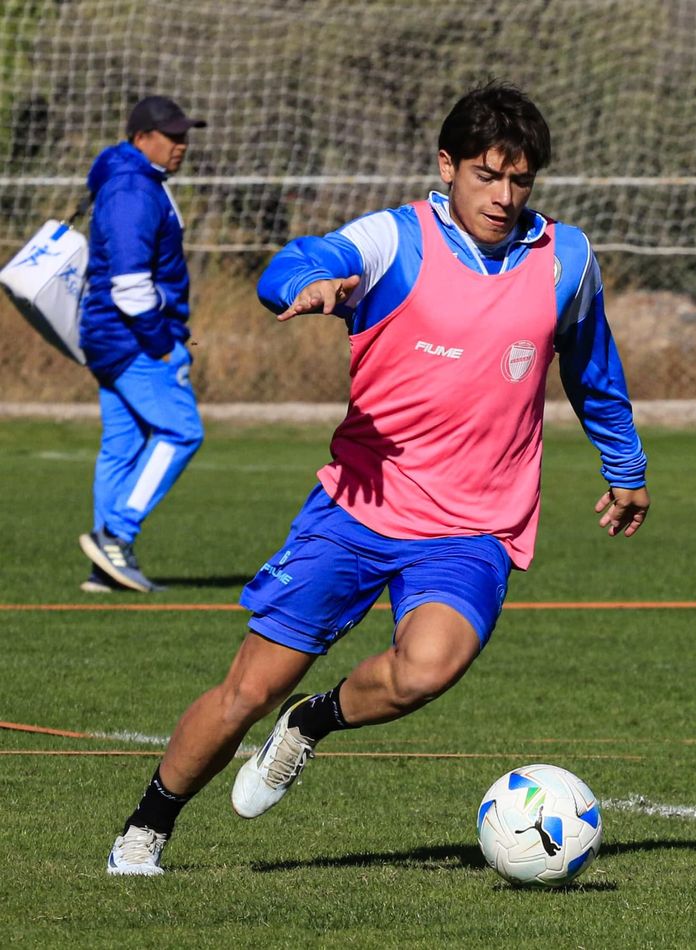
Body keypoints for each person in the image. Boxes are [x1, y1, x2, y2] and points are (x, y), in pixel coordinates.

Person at [106, 80, 650, 874]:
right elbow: (298, 262)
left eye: (519, 179)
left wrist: (625, 464)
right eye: (485, 175)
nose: (503, 197)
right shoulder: (395, 241)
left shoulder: (564, 258)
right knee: (245, 693)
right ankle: (146, 827)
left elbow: (594, 367)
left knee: (427, 669)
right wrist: (305, 284)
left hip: (474, 525)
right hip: (356, 510)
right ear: (447, 166)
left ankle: (313, 723)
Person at [77, 95, 207, 593]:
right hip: (132, 337)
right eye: (172, 136)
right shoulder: (133, 188)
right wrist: (163, 344)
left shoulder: (135, 181)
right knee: (181, 432)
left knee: (123, 445)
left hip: (109, 337)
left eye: (185, 135)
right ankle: (116, 534)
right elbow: (129, 283)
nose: (181, 145)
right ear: (140, 138)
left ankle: (105, 569)